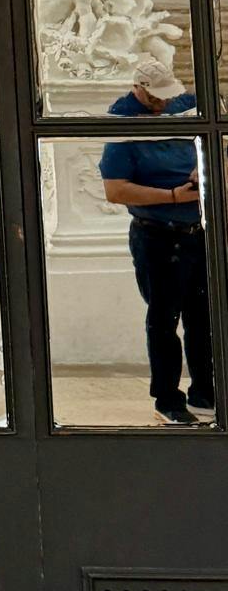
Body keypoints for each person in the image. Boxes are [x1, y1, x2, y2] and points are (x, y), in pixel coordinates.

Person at [100, 57, 214, 427]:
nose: (163, 103)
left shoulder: (182, 105)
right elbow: (116, 190)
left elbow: (212, 131)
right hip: (157, 234)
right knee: (164, 319)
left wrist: (204, 167)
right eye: (156, 98)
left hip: (197, 230)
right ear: (139, 89)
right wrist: (173, 196)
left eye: (167, 96)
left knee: (204, 316)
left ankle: (206, 392)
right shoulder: (122, 126)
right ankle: (167, 399)